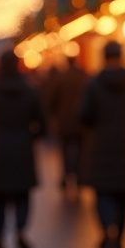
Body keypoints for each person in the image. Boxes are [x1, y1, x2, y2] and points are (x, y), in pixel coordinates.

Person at [79, 41, 125, 248]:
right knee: (124, 198)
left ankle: (107, 230)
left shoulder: (94, 85)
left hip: (101, 148)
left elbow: (84, 115)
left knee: (103, 195)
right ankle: (118, 238)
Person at [0, 51, 45, 248]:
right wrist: (29, 136)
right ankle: (20, 230)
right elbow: (42, 123)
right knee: (22, 195)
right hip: (22, 148)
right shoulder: (30, 90)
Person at [50, 56, 89, 193]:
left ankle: (66, 175)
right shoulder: (84, 77)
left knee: (64, 150)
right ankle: (79, 176)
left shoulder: (61, 77)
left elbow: (53, 99)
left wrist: (54, 116)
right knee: (81, 149)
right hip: (80, 121)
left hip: (64, 121)